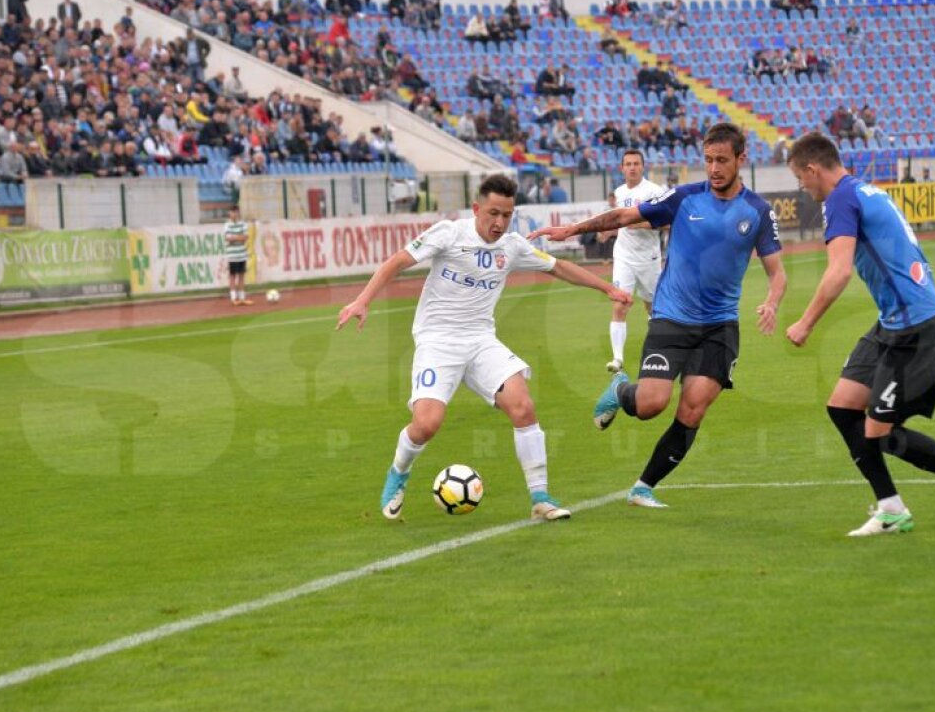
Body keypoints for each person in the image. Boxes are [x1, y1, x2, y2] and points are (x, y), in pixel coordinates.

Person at [336, 174, 632, 522]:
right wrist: (362, 301)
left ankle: (541, 498)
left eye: (507, 215)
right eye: (493, 213)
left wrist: (607, 289)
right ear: (476, 209)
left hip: (480, 341)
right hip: (438, 341)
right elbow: (398, 261)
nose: (499, 222)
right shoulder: (449, 233)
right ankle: (398, 473)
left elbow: (559, 267)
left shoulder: (512, 245)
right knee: (427, 424)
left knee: (523, 406)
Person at [529, 123, 787, 509]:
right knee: (651, 404)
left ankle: (643, 487)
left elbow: (777, 271)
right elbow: (623, 216)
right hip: (671, 318)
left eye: (722, 160)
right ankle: (620, 389)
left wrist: (772, 301)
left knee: (693, 408)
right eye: (708, 160)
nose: (714, 168)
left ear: (741, 160)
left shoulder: (759, 212)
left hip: (719, 326)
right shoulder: (684, 198)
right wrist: (572, 230)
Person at [783, 132, 935, 536]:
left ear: (813, 169)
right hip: (894, 323)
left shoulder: (840, 199)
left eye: (801, 178)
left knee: (880, 433)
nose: (803, 187)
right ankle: (891, 508)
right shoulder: (865, 190)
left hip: (917, 329)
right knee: (841, 407)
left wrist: (806, 322)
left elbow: (838, 271)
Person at [601, 149, 668, 374]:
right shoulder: (619, 193)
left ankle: (658, 348)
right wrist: (609, 230)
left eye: (636, 163)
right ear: (621, 168)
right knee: (620, 305)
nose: (632, 167)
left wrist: (639, 224)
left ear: (643, 166)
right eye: (628, 164)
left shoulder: (654, 191)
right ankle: (617, 359)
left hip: (648, 259)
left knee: (652, 308)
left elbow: (668, 223)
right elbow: (618, 221)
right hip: (624, 257)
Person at [224, 203, 252, 306]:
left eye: (236, 212)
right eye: (232, 212)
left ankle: (242, 298)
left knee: (241, 276)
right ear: (229, 213)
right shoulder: (227, 225)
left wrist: (234, 237)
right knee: (232, 276)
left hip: (242, 255)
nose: (234, 214)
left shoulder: (243, 224)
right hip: (232, 256)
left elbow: (245, 237)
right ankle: (233, 298)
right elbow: (228, 238)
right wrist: (238, 237)